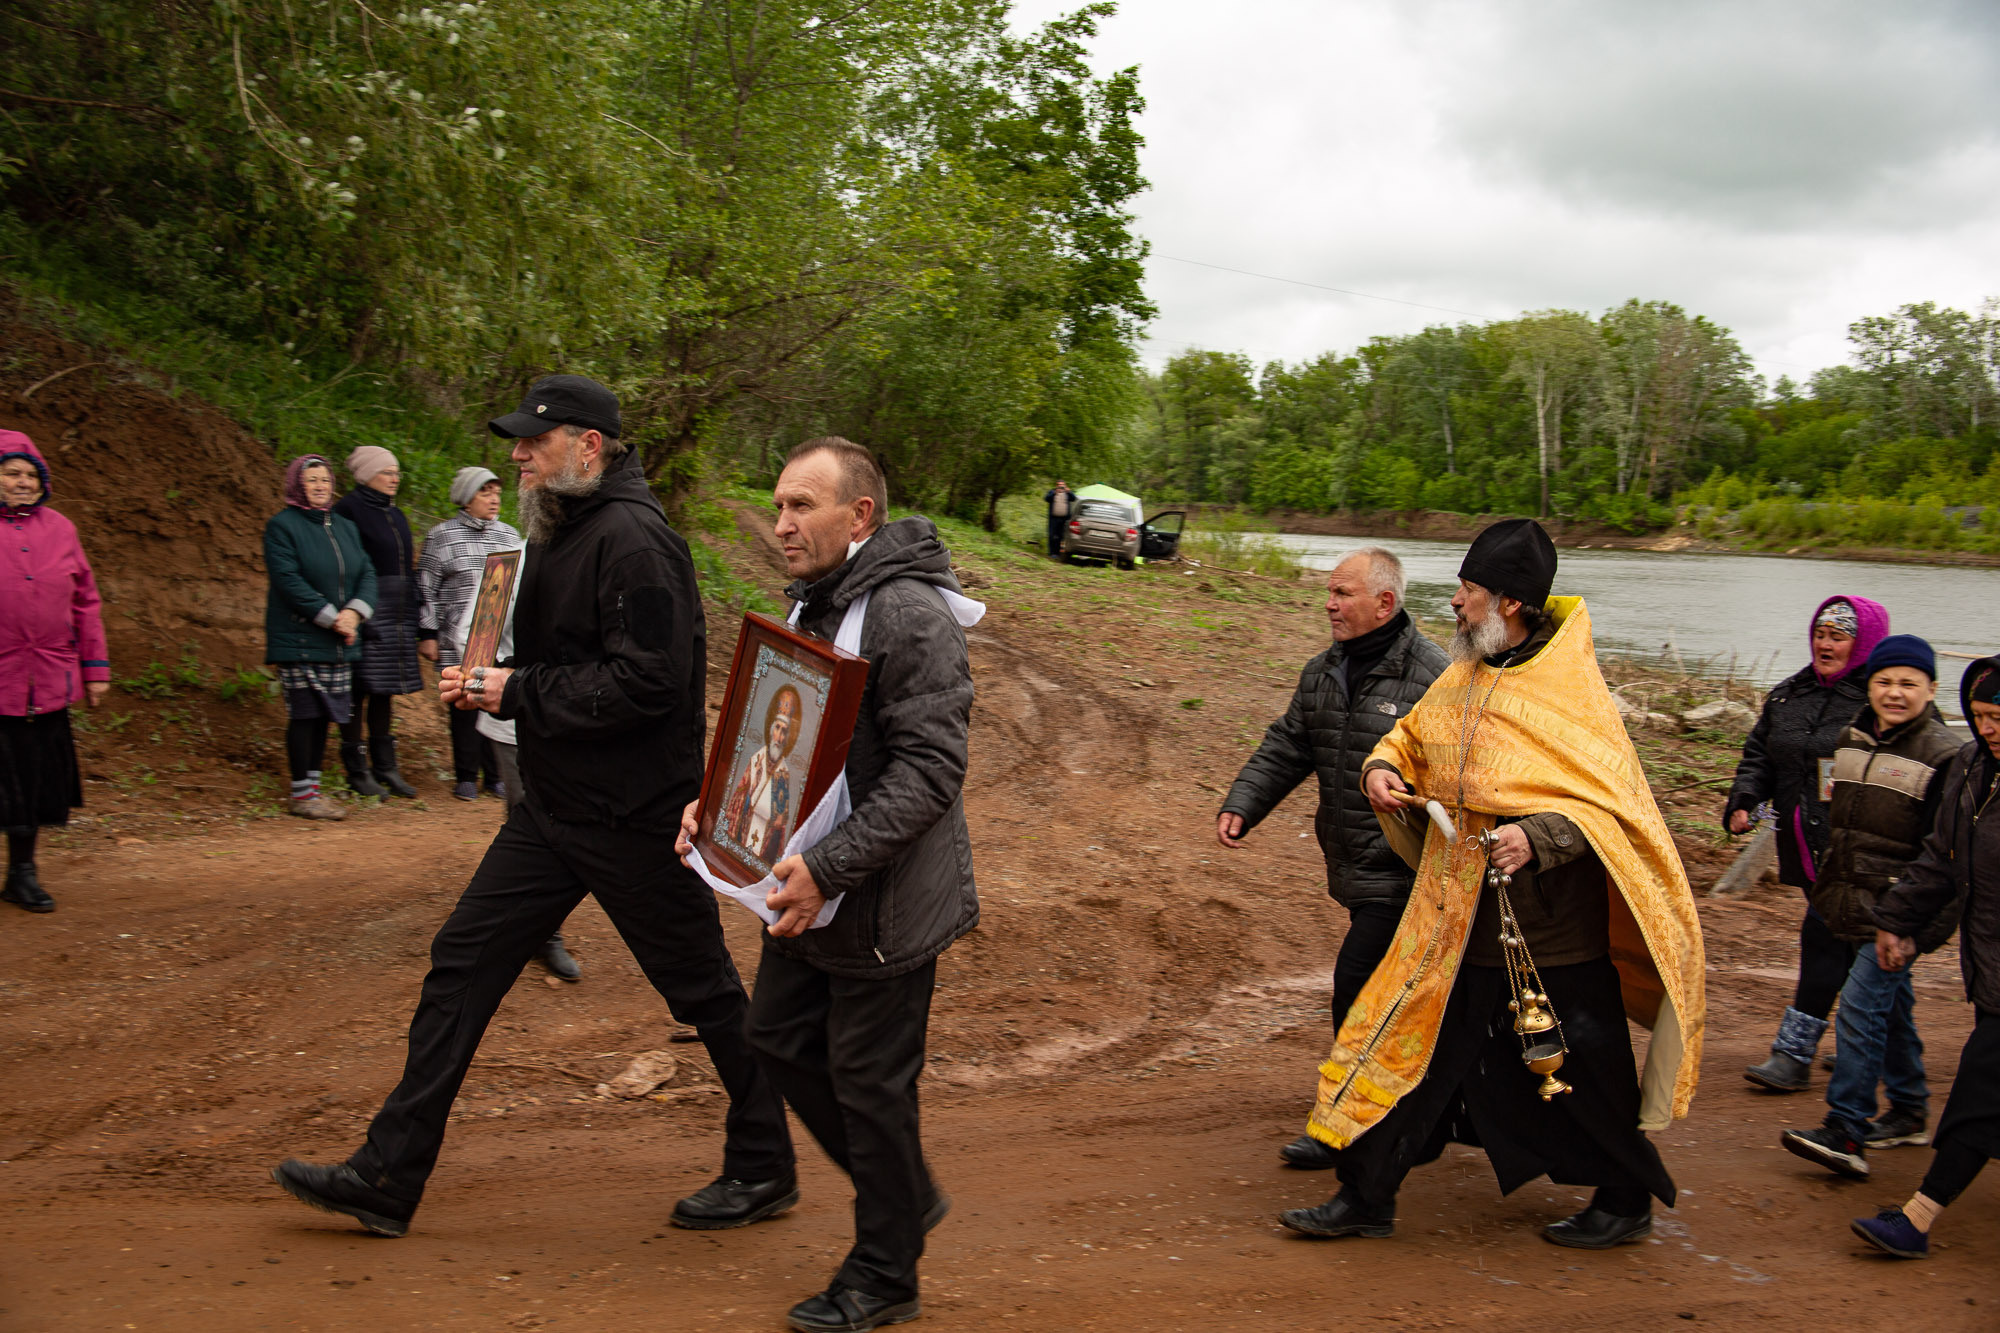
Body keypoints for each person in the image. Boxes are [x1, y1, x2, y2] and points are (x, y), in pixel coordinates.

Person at [271, 374, 790, 1236]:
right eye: (516, 442)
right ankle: (388, 1174)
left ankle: (766, 1161)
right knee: (461, 962)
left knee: (701, 992)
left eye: (533, 441)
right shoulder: (562, 523)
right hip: (554, 809)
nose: (516, 455)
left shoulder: (634, 540)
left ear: (588, 446)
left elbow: (651, 682)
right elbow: (557, 651)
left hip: (630, 814)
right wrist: (485, 676)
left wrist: (515, 691)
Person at [1282, 519, 1705, 1250]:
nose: (1455, 601)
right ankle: (1365, 1193)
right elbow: (1409, 736)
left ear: (1507, 601)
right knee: (1418, 1044)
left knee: (1587, 1068)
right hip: (1455, 911)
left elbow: (1610, 808)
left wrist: (1534, 835)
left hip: (1550, 930)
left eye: (1468, 589)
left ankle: (1627, 1195)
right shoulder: (1471, 667)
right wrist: (1383, 771)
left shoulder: (1570, 690)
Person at [681, 436, 979, 1333]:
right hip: (815, 890)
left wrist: (830, 866)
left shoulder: (907, 615)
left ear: (860, 516)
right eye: (777, 505)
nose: (780, 524)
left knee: (868, 1081)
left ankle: (886, 1270)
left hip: (884, 899)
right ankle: (903, 1190)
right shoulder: (820, 603)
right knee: (775, 1035)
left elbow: (931, 770)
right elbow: (798, 748)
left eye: (801, 505)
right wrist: (720, 804)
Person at [1217, 546, 1448, 1170]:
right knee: (1397, 1001)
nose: (1330, 603)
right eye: (1329, 592)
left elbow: (1460, 778)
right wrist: (1245, 803)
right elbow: (1290, 743)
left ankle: (1348, 1126)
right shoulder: (1324, 672)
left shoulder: (1434, 677)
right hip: (1354, 868)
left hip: (1406, 873)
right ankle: (1422, 1122)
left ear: (1385, 603)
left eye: (1343, 593)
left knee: (1357, 990)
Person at [1781, 635, 1959, 1178]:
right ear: (1870, 684)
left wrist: (1909, 927)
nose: (1895, 693)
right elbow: (1842, 828)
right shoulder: (1851, 740)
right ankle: (1907, 1111)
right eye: (1885, 681)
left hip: (1898, 916)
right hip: (1849, 905)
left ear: (1931, 689)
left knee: (1860, 1011)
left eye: (1909, 683)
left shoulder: (1946, 756)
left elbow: (1947, 856)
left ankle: (1847, 1130)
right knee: (1891, 1010)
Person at [1849, 653, 2000, 1259]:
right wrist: (1897, 922)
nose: (1989, 729)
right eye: (1981, 716)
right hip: (1989, 968)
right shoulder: (1969, 768)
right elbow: (1941, 857)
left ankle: (1916, 1219)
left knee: (1976, 1095)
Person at [1725, 595, 1890, 1091]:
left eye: (1838, 636)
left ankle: (1793, 1055)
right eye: (1820, 633)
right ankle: (1871, 1049)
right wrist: (1745, 799)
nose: (1825, 643)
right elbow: (1761, 756)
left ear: (1864, 644)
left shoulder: (1883, 699)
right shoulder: (1788, 695)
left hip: (1862, 853)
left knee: (1831, 940)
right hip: (1805, 847)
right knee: (1866, 951)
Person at [0, 432, 110, 913]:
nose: (23, 482)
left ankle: (22, 873)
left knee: (34, 777)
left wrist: (95, 668)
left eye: (30, 475)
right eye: (11, 473)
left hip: (46, 674)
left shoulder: (62, 529)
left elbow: (85, 602)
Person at [263, 455, 377, 821]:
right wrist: (332, 619)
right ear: (297, 485)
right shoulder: (282, 527)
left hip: (339, 638)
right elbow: (288, 580)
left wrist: (355, 613)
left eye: (325, 479)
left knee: (326, 716)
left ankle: (311, 790)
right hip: (300, 636)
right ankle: (303, 793)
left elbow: (367, 573)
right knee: (306, 713)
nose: (320, 486)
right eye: (311, 480)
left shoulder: (344, 526)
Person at [416, 466, 519, 801]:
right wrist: (427, 632)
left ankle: (495, 776)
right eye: (484, 492)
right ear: (466, 498)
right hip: (456, 637)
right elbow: (426, 587)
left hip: (500, 640)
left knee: (496, 702)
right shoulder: (441, 536)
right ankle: (464, 775)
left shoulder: (509, 536)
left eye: (496, 493)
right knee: (465, 702)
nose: (493, 500)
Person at [332, 447, 424, 798]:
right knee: (359, 690)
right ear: (367, 474)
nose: (395, 478)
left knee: (386, 690)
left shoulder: (397, 514)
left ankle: (386, 767)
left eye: (396, 472)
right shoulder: (347, 511)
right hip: (366, 606)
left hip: (398, 611)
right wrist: (356, 612)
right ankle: (357, 771)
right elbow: (345, 567)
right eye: (387, 472)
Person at [724, 685, 801, 866]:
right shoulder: (756, 760)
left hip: (764, 848)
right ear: (771, 729)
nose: (779, 737)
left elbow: (780, 825)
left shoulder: (783, 773)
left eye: (784, 731)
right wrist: (748, 801)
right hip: (743, 833)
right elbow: (736, 802)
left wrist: (776, 819)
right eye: (777, 728)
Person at [1044, 480, 1073, 559]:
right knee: (1052, 535)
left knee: (1060, 536)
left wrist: (1069, 491)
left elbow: (1073, 498)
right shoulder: (1052, 492)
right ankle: (1051, 552)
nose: (1061, 487)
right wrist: (1054, 493)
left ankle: (1057, 553)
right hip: (1053, 518)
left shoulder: (1067, 493)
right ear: (1056, 485)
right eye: (1059, 485)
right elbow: (1046, 499)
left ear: (1065, 485)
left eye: (1062, 485)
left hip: (1064, 519)